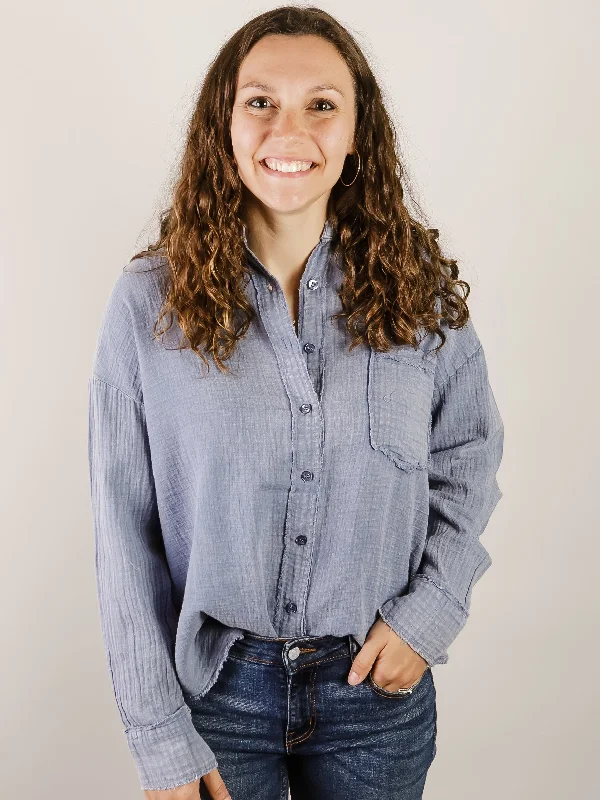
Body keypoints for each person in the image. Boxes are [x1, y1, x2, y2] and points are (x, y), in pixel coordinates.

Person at [87, 6, 504, 800]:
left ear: (356, 135)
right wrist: (156, 735)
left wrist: (430, 614)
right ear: (225, 126)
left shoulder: (416, 291)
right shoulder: (150, 303)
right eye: (260, 101)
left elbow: (469, 459)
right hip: (213, 698)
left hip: (375, 695)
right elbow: (122, 531)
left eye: (321, 103)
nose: (291, 128)